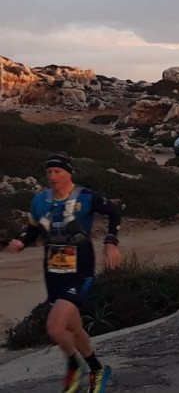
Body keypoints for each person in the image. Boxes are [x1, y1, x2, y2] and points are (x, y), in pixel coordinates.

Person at [4, 155, 122, 393]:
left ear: (69, 173)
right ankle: (98, 369)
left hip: (80, 269)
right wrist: (22, 243)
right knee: (74, 329)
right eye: (49, 173)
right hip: (53, 270)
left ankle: (73, 365)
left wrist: (110, 242)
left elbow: (114, 211)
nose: (52, 177)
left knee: (56, 327)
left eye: (57, 172)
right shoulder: (40, 200)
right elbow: (32, 229)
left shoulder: (86, 197)